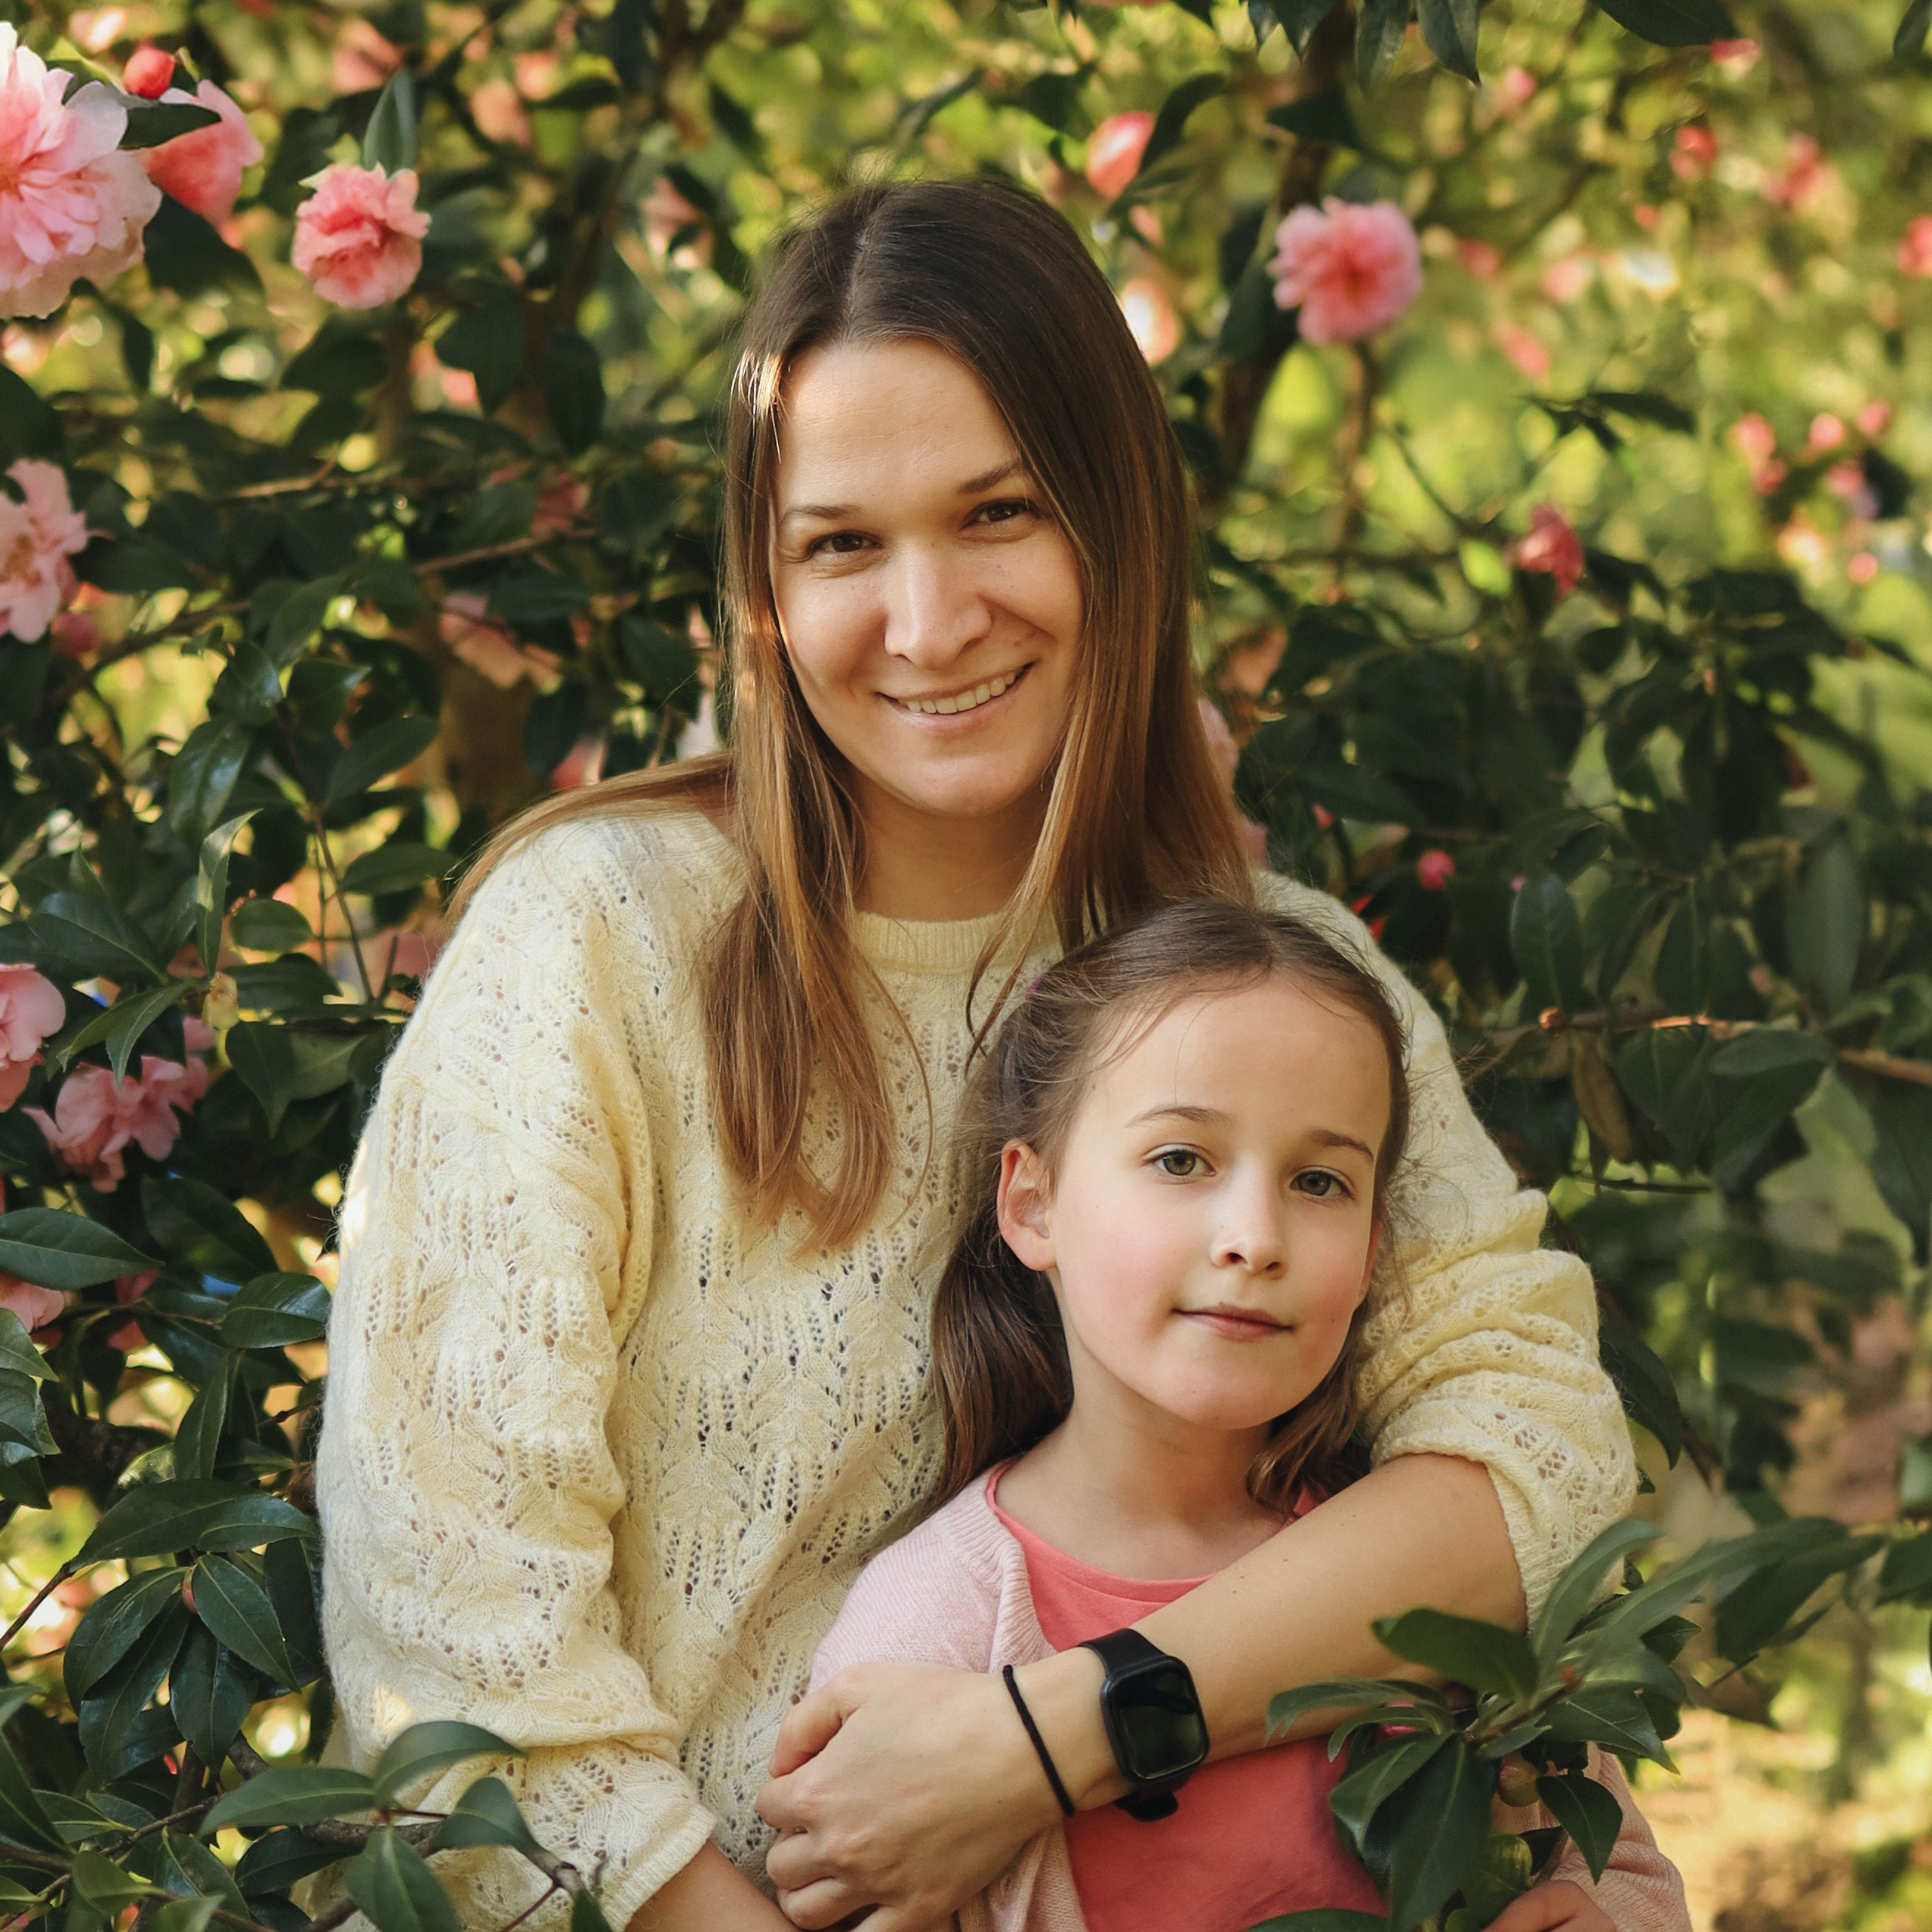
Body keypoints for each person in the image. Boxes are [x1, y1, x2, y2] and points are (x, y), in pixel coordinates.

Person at [312, 177, 1635, 1932]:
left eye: (996, 513)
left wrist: (1065, 1729)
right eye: (842, 544)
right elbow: (458, 1656)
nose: (926, 626)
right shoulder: (593, 945)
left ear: (1116, 524)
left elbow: (1529, 1448)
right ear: (764, 591)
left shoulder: (1266, 975)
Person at [808, 899, 1689, 1932]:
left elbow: (1620, 1867)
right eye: (1181, 1159)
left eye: (1320, 1181)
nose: (1254, 1237)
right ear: (1032, 1205)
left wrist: (1601, 1913)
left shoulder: (1419, 1583)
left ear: (1370, 1258)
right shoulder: (935, 1620)